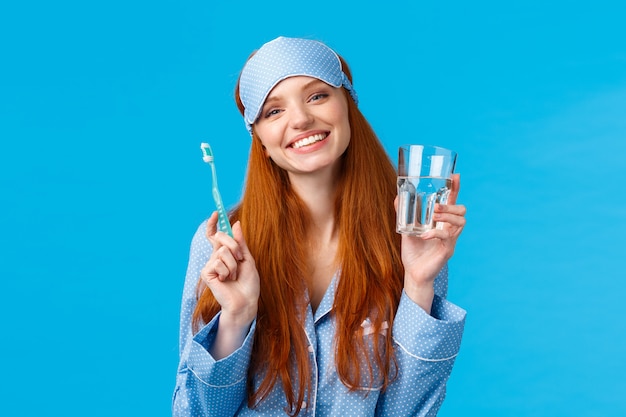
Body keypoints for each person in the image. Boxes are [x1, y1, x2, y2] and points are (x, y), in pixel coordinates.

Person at [173, 36, 467, 416]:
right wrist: (235, 320)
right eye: (273, 111)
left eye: (317, 96)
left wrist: (419, 284)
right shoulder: (222, 245)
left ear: (349, 104)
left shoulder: (410, 234)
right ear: (259, 139)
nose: (300, 119)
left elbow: (406, 410)